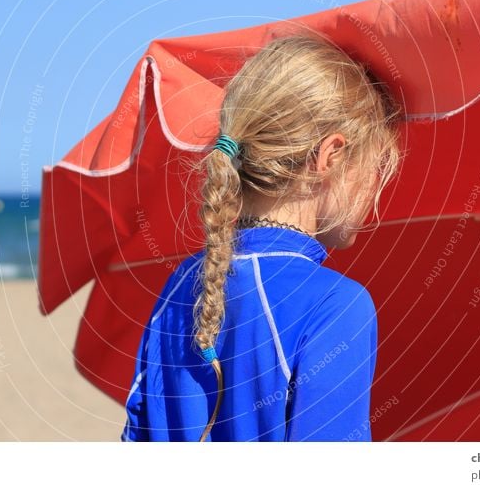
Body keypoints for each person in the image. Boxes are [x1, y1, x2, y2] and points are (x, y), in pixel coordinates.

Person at [122, 33, 404, 442]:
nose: (375, 188)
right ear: (331, 156)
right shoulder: (336, 305)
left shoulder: (181, 284)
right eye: (376, 165)